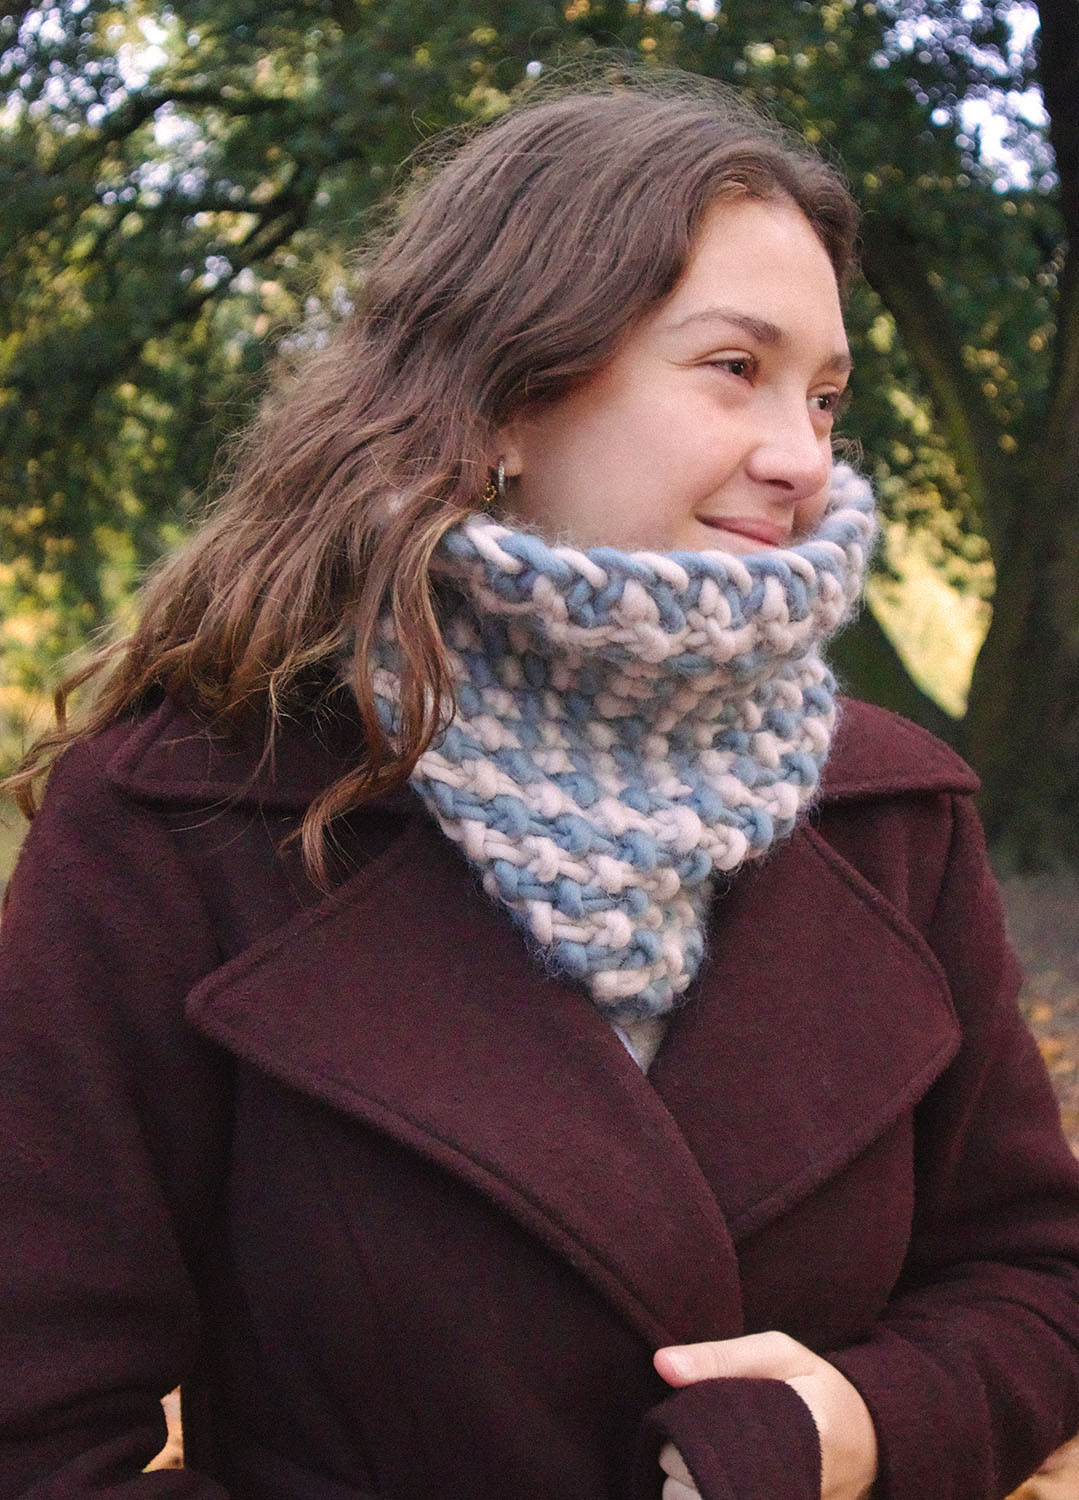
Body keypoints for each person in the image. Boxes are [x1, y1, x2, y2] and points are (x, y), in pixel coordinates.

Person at [2, 75, 1079, 1500]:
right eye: (734, 368)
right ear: (507, 396)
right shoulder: (181, 820)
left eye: (826, 398)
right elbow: (39, 1434)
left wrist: (863, 1429)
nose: (803, 459)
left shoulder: (891, 816)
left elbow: (1035, 1280)